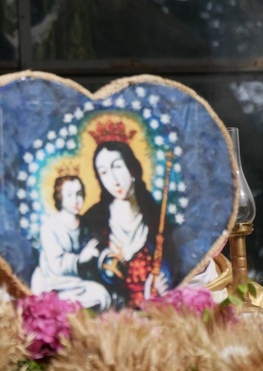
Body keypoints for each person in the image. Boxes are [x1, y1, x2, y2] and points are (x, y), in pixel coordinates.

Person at [79, 120, 173, 309]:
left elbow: (171, 263)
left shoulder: (157, 218)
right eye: (104, 172)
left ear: (132, 170)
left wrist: (163, 282)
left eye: (117, 167)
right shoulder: (92, 220)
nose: (113, 179)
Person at [30, 174, 111, 311]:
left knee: (102, 296)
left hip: (77, 281)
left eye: (79, 194)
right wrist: (80, 260)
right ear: (60, 197)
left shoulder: (85, 224)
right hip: (53, 282)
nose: (76, 200)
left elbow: (97, 246)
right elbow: (55, 265)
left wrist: (107, 255)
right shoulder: (50, 227)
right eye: (69, 195)